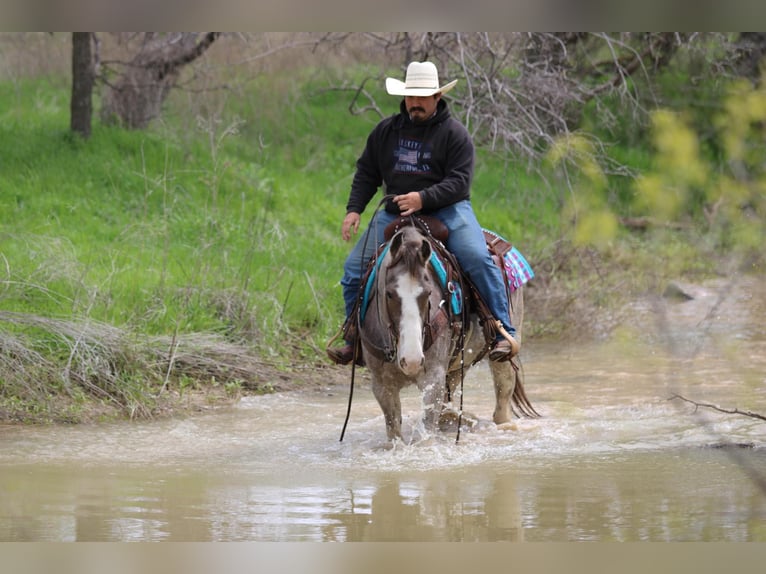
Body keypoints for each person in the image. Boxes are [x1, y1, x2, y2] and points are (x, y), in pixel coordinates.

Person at [327, 61, 519, 365]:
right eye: (410, 96)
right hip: (395, 212)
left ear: (437, 97)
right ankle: (355, 336)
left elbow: (459, 182)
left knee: (477, 258)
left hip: (448, 210)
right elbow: (367, 172)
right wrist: (354, 209)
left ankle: (500, 330)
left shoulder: (455, 134)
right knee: (353, 271)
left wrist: (423, 198)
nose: (415, 103)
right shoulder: (385, 132)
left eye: (422, 97)